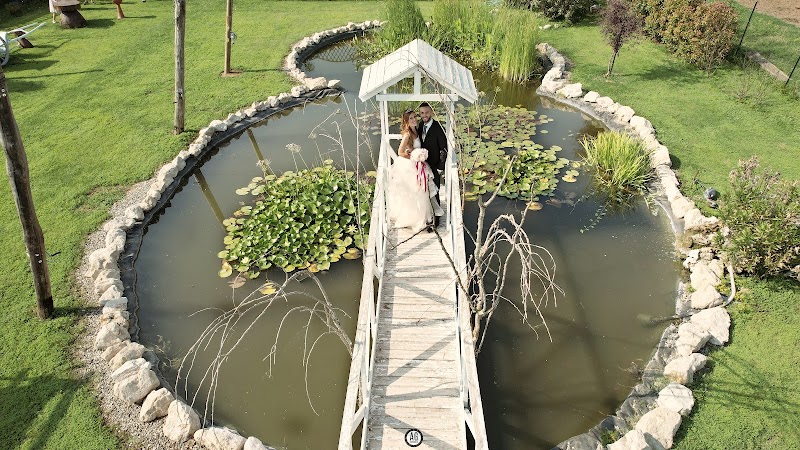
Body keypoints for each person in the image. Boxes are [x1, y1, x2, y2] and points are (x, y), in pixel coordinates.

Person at [387, 109, 443, 233]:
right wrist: (414, 156)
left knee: (424, 190)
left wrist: (418, 154)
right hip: (411, 165)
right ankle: (418, 218)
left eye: (414, 117)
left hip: (419, 164)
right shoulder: (407, 134)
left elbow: (413, 147)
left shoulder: (416, 130)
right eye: (411, 118)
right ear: (406, 121)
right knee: (417, 191)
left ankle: (427, 216)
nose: (414, 119)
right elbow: (400, 152)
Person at [417, 102, 447, 226]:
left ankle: (436, 219)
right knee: (423, 192)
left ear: (431, 112)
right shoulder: (419, 126)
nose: (425, 115)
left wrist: (440, 167)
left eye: (427, 112)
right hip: (422, 166)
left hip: (434, 166)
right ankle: (426, 218)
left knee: (435, 191)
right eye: (422, 113)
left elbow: (443, 149)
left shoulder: (438, 127)